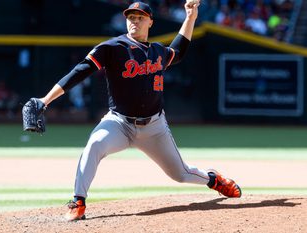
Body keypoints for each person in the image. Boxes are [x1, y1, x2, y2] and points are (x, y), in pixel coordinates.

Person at [37, 1, 241, 221]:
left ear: (151, 22)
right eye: (131, 17)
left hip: (154, 127)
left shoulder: (158, 51)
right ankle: (78, 201)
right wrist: (45, 100)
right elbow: (80, 71)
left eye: (140, 17)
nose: (134, 21)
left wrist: (190, 18)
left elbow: (178, 51)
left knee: (180, 174)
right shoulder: (112, 48)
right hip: (119, 123)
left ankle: (214, 180)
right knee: (94, 144)